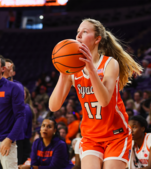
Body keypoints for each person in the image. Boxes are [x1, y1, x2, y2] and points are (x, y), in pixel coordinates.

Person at [49, 18, 142, 169]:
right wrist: (63, 74)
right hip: (91, 136)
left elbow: (104, 100)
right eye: (77, 32)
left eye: (84, 32)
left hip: (116, 135)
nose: (78, 36)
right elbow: (54, 106)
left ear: (97, 39)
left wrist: (91, 69)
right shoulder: (73, 71)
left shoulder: (109, 64)